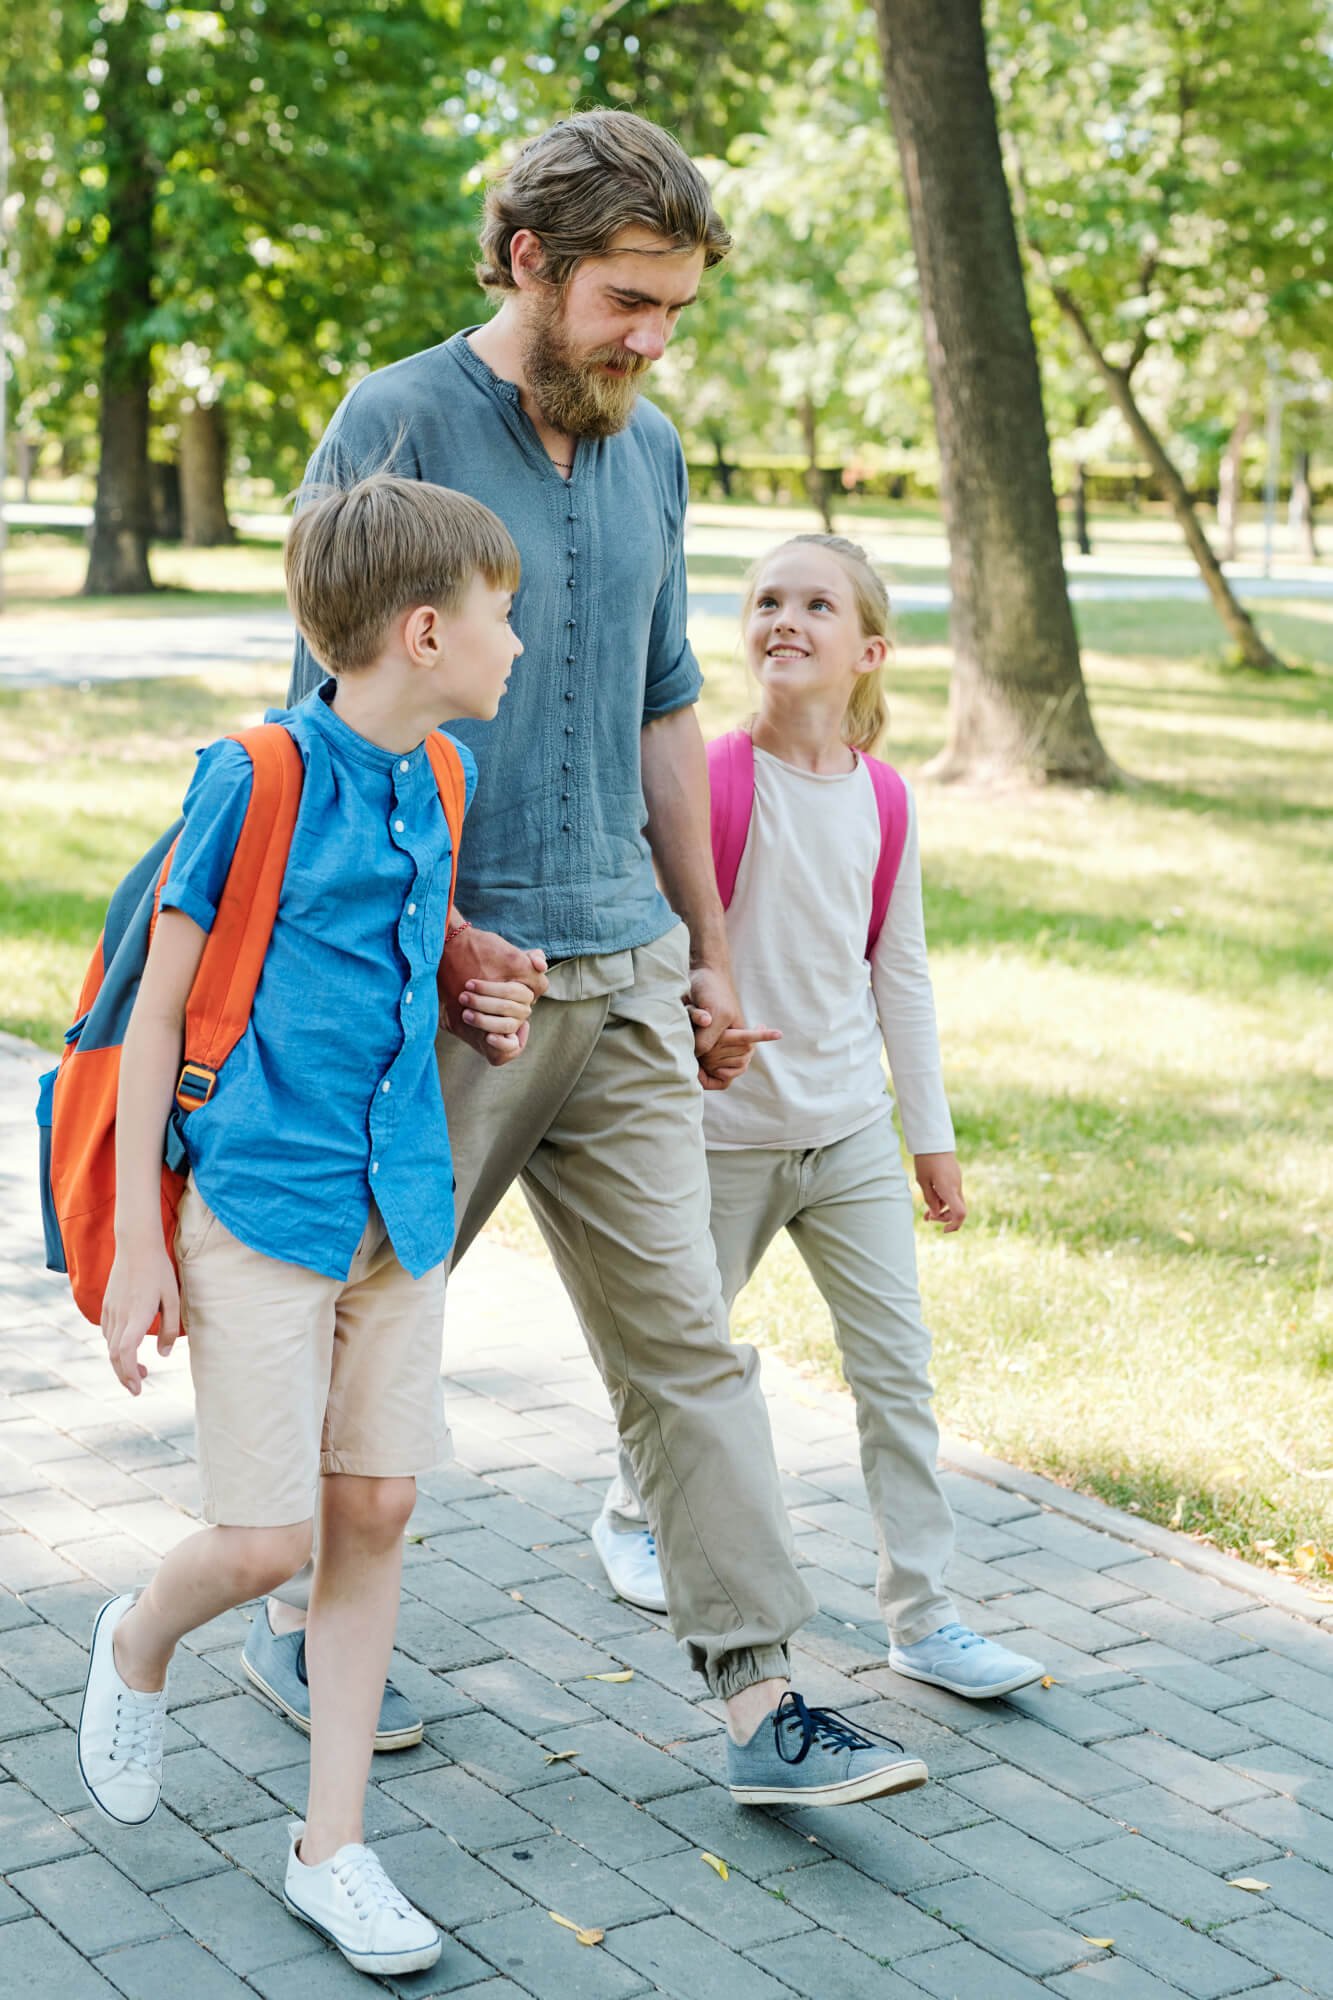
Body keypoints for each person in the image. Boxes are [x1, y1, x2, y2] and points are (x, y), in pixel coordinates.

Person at [255, 108, 929, 1811]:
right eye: (627, 301)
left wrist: (707, 954)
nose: (651, 341)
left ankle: (763, 1698)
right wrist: (439, 933)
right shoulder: (397, 421)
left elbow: (660, 706)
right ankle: (295, 1610)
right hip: (447, 988)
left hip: (624, 968)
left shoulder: (652, 450)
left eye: (675, 311)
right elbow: (324, 728)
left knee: (685, 1345)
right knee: (368, 1317)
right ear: (526, 262)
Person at [78, 476, 535, 1978]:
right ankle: (140, 1638)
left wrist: (474, 980)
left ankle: (332, 1845)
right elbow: (156, 1011)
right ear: (425, 633)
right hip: (263, 1202)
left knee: (378, 1508)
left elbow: (395, 950)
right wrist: (143, 1246)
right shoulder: (255, 775)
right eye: (502, 615)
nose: (517, 643)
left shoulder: (444, 776)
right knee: (266, 1539)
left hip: (399, 1202)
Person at [591, 535, 1045, 1702]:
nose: (784, 618)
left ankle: (924, 1615)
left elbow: (901, 972)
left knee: (897, 1376)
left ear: (869, 651)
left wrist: (927, 1135)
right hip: (721, 1139)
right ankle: (629, 1513)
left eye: (815, 604)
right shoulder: (709, 778)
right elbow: (658, 949)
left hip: (847, 1136)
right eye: (766, 600)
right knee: (684, 1360)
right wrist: (691, 1039)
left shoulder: (884, 798)